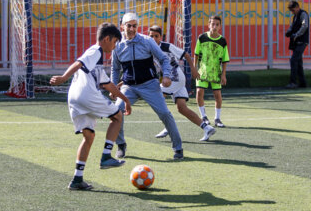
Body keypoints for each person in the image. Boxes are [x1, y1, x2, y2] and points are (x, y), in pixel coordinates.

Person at [50, 23, 131, 190]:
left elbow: (107, 84)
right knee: (117, 117)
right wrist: (64, 77)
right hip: (86, 95)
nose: (115, 46)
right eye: (115, 41)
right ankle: (107, 156)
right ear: (107, 39)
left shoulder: (97, 61)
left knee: (89, 137)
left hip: (74, 98)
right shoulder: (95, 51)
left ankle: (77, 179)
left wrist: (125, 99)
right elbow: (78, 63)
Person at [111, 12, 184, 159]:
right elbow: (115, 68)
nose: (131, 29)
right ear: (122, 26)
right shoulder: (117, 46)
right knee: (116, 111)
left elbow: (164, 59)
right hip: (129, 87)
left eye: (134, 26)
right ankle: (121, 145)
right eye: (128, 26)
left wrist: (167, 76)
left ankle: (178, 148)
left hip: (150, 85)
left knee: (165, 113)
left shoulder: (147, 41)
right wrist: (113, 87)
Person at [148, 25, 216, 141]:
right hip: (173, 80)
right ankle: (207, 128)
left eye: (156, 36)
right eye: (151, 36)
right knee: (182, 108)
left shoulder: (167, 46)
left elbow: (186, 55)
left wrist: (193, 68)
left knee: (158, 96)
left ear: (161, 37)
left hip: (176, 77)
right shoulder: (149, 50)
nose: (154, 39)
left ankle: (168, 126)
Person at [194, 15, 230, 137]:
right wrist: (194, 68)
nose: (214, 26)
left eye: (217, 24)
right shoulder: (202, 38)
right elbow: (196, 54)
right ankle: (203, 116)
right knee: (199, 92)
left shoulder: (222, 41)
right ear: (208, 24)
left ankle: (217, 118)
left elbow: (225, 60)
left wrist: (224, 74)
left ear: (220, 26)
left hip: (216, 72)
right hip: (202, 71)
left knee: (217, 95)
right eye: (212, 24)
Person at [285, 1, 309, 89]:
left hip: (302, 41)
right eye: (291, 10)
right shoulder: (295, 16)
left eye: (293, 10)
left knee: (293, 60)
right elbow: (293, 25)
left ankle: (293, 82)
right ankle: (303, 83)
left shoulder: (303, 14)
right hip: (297, 42)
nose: (292, 12)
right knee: (298, 62)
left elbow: (305, 26)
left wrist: (296, 34)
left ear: (297, 7)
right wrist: (288, 31)